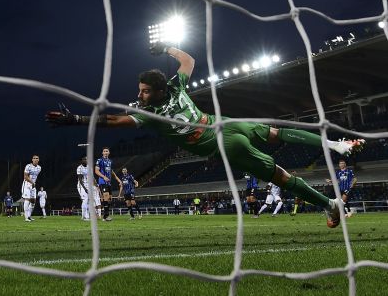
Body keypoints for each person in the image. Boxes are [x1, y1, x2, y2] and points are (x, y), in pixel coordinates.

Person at [46, 44, 365, 228]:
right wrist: (166, 48)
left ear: (156, 91)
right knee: (275, 132)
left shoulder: (149, 115)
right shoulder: (176, 85)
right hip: (224, 123)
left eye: (144, 91)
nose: (139, 95)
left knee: (281, 176)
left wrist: (75, 119)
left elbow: (111, 120)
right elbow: (188, 61)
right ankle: (333, 144)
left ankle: (330, 203)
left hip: (224, 144)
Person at [94, 147, 122, 222]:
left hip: (108, 182)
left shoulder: (110, 161)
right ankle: (105, 216)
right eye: (104, 151)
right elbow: (96, 171)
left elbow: (111, 171)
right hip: (102, 181)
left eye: (107, 151)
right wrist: (104, 177)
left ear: (109, 153)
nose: (106, 152)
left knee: (109, 199)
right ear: (102, 153)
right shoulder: (99, 160)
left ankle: (105, 216)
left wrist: (117, 178)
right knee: (106, 197)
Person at [22, 154, 41, 222]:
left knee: (33, 202)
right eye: (34, 158)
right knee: (27, 199)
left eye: (37, 158)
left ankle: (29, 216)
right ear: (32, 159)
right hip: (27, 184)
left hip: (33, 185)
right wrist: (32, 182)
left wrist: (33, 183)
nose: (35, 159)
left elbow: (35, 177)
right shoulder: (28, 166)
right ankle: (26, 217)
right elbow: (25, 177)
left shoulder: (39, 168)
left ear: (38, 160)